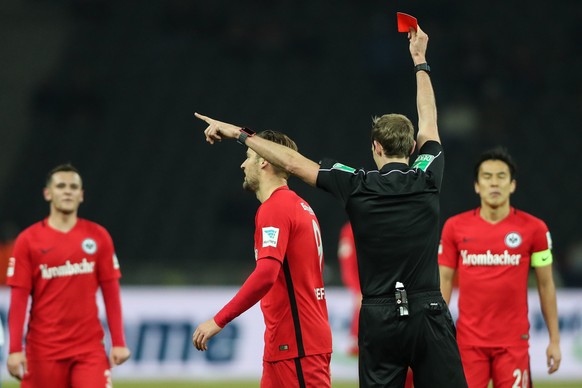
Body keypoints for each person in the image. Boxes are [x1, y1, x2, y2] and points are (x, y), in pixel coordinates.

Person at [195, 24, 467, 388]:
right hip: (427, 310)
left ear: (375, 148)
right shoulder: (427, 174)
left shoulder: (357, 184)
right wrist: (420, 62)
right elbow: (429, 120)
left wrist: (239, 133)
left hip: (380, 316)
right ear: (413, 148)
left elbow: (292, 163)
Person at [192, 131, 333, 387]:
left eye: (249, 157)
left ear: (264, 162)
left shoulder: (276, 208)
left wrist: (218, 320)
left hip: (297, 344)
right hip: (288, 342)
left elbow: (266, 273)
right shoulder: (299, 206)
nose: (243, 164)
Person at [438, 147, 561, 387]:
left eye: (501, 176)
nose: (494, 183)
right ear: (476, 185)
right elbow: (444, 279)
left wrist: (554, 340)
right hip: (468, 343)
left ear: (512, 185)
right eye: (487, 176)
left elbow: (546, 285)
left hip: (513, 343)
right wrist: (437, 334)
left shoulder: (535, 229)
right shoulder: (454, 227)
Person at [6, 163, 131, 387]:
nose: (67, 191)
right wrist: (15, 349)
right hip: (43, 350)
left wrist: (119, 342)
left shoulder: (98, 236)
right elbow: (18, 299)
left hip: (89, 349)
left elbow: (111, 292)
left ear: (81, 195)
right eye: (61, 186)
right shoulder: (28, 240)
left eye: (73, 187)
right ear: (48, 193)